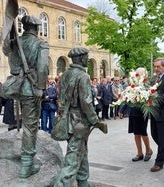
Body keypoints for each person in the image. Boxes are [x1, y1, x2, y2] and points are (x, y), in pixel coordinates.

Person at [2, 15, 49, 178]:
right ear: (36, 28)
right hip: (31, 88)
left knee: (28, 125)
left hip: (18, 87)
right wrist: (40, 88)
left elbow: (7, 52)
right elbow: (42, 67)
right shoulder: (41, 43)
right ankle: (27, 165)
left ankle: (27, 159)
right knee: (30, 126)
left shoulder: (15, 43)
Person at [55, 47, 108, 187]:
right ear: (81, 58)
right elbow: (86, 102)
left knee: (81, 151)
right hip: (79, 121)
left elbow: (61, 98)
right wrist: (96, 121)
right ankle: (61, 184)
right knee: (73, 159)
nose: (87, 59)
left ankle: (83, 181)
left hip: (67, 120)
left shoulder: (65, 74)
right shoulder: (83, 76)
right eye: (86, 56)